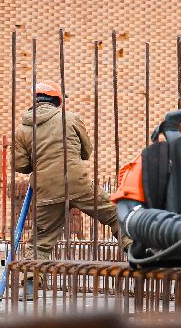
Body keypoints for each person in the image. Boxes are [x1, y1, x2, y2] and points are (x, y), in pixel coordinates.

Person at [13, 81, 120, 265]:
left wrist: (39, 159)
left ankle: (30, 281)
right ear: (58, 100)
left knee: (41, 241)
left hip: (46, 189)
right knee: (115, 214)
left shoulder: (23, 129)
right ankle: (136, 252)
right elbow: (86, 151)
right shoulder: (70, 118)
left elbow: (21, 165)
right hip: (77, 184)